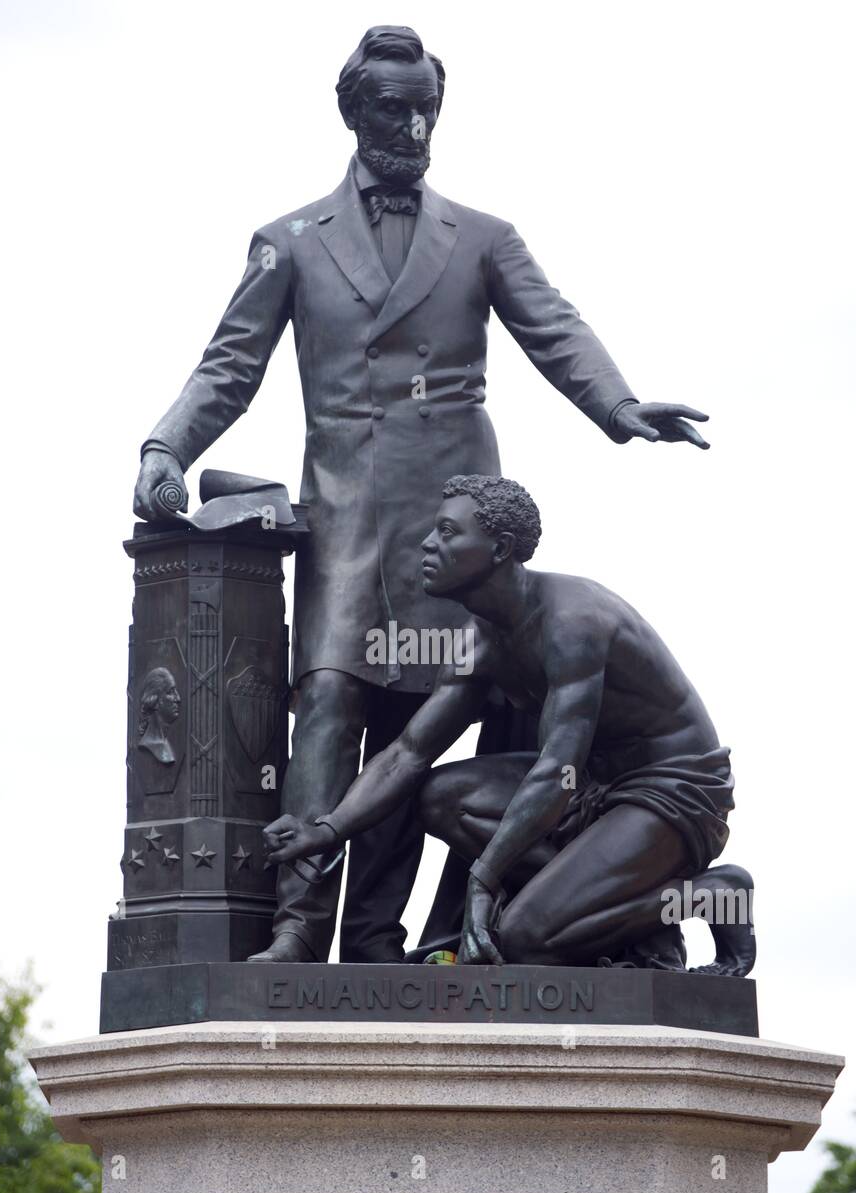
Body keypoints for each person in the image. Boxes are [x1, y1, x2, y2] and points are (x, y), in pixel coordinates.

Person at [133, 26, 711, 966]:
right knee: (326, 710)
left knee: (426, 732)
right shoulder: (289, 242)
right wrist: (166, 445)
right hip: (349, 529)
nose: (416, 125)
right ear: (355, 114)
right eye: (396, 108)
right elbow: (229, 365)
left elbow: (554, 325)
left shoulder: (482, 237)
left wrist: (618, 405)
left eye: (428, 108)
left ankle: (387, 940)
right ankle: (299, 926)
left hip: (457, 530)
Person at [263, 476, 754, 976]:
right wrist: (326, 829)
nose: (428, 544)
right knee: (438, 796)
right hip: (591, 790)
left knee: (525, 938)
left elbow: (554, 769)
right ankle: (604, 908)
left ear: (500, 548)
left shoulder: (572, 621)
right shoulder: (479, 640)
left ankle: (710, 896)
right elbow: (408, 753)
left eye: (448, 532)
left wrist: (484, 879)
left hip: (672, 793)